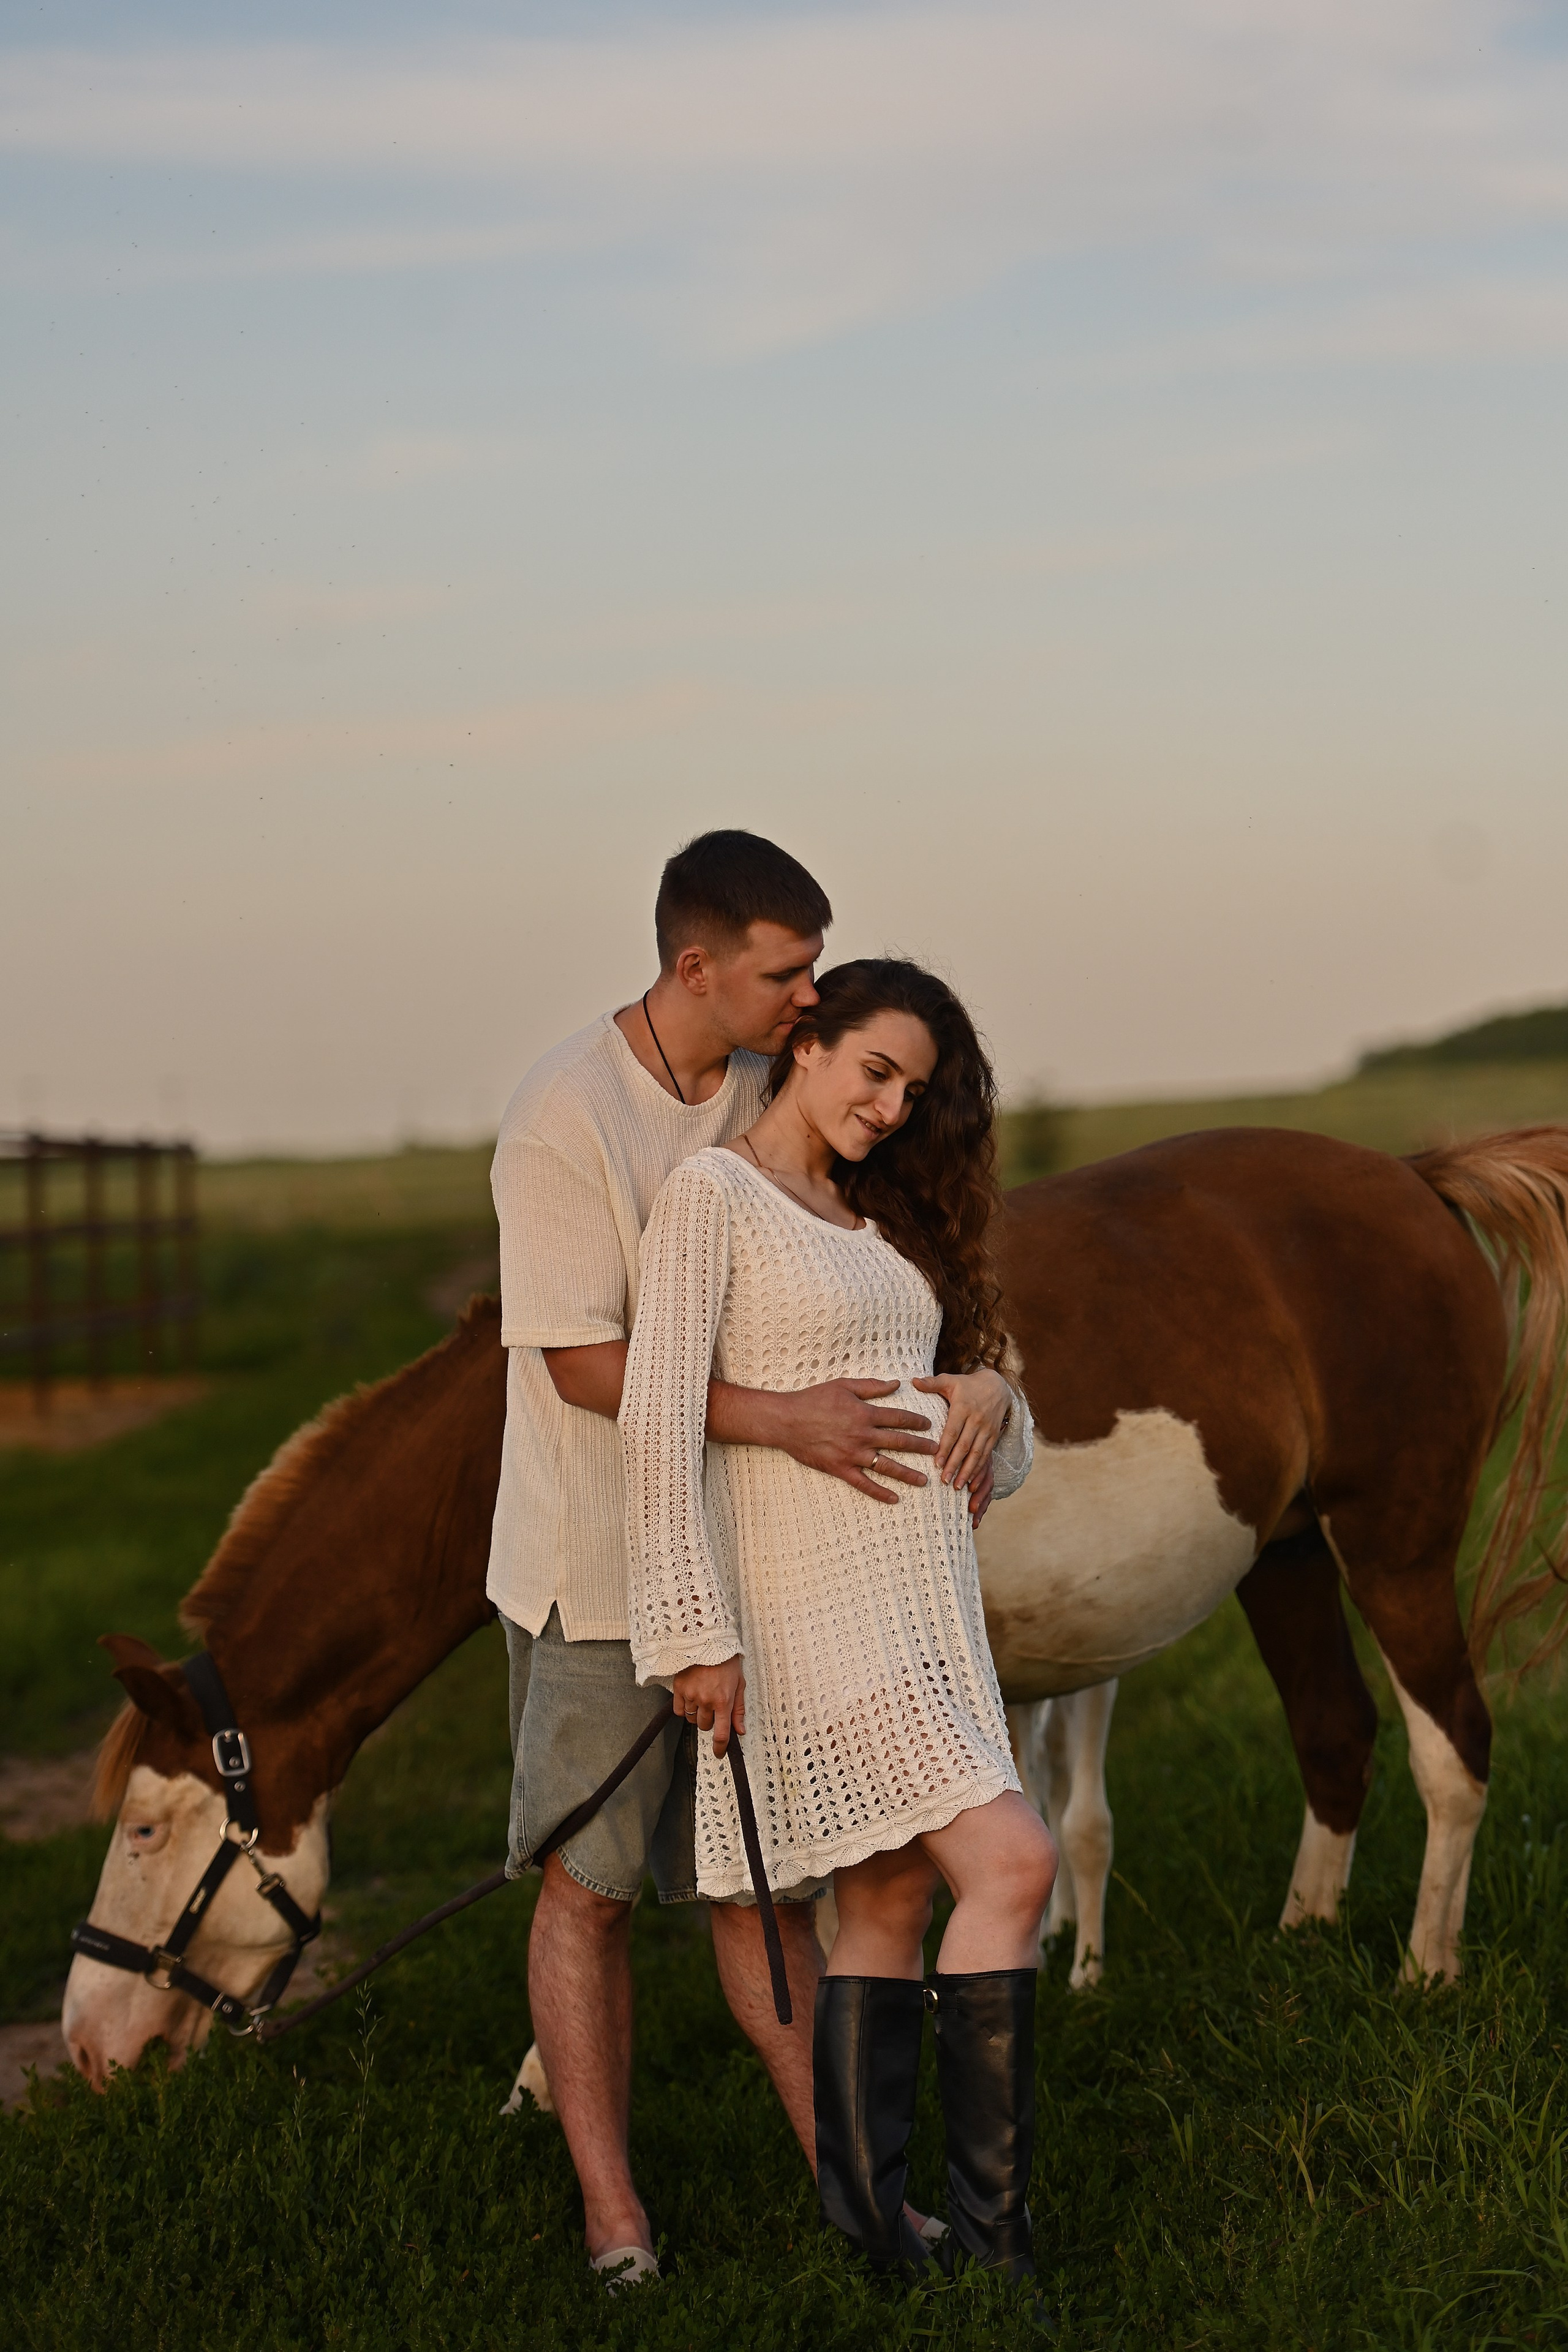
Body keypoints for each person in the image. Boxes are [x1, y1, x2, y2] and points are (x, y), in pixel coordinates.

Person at [486, 833, 960, 2291]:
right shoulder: (564, 1119)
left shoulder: (772, 1081)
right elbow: (579, 1365)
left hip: (762, 1558)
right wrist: (789, 1419)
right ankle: (612, 2215)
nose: (811, 996)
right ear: (695, 967)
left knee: (766, 1891)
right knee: (592, 1891)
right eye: (785, 973)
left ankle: (856, 2191)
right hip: (597, 1566)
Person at [622, 958, 1058, 2288]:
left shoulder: (876, 1215)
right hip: (810, 1618)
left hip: (921, 1612)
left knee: (888, 1896)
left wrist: (988, 1394)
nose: (889, 1107)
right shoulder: (714, 1197)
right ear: (805, 1046)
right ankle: (993, 2252)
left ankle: (878, 2241)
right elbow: (657, 1420)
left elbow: (998, 1451)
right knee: (1014, 1865)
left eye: (912, 1091)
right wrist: (692, 1635)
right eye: (875, 1071)